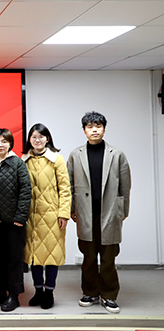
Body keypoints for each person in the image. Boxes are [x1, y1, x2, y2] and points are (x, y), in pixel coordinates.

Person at [68, 112, 131, 314]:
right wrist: (71, 209)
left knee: (108, 258)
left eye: (98, 126)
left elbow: (125, 185)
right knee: (88, 257)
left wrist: (122, 210)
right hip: (85, 213)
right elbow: (69, 185)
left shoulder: (117, 154)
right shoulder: (75, 154)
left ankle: (109, 295)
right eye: (90, 126)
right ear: (84, 130)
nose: (94, 130)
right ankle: (90, 293)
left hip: (110, 213)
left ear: (104, 129)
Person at [21, 123, 71, 310]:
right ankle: (38, 291)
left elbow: (65, 188)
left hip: (52, 216)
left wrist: (63, 213)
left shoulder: (56, 159)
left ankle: (49, 292)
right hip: (30, 216)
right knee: (34, 255)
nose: (37, 140)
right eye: (34, 137)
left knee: (51, 255)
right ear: (30, 140)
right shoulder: (24, 159)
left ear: (47, 139)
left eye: (41, 137)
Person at [0, 129, 31, 312]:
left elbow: (26, 191)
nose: (0, 144)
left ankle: (14, 295)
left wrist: (20, 216)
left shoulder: (17, 163)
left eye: (4, 141)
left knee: (14, 259)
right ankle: (0, 292)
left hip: (13, 222)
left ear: (10, 143)